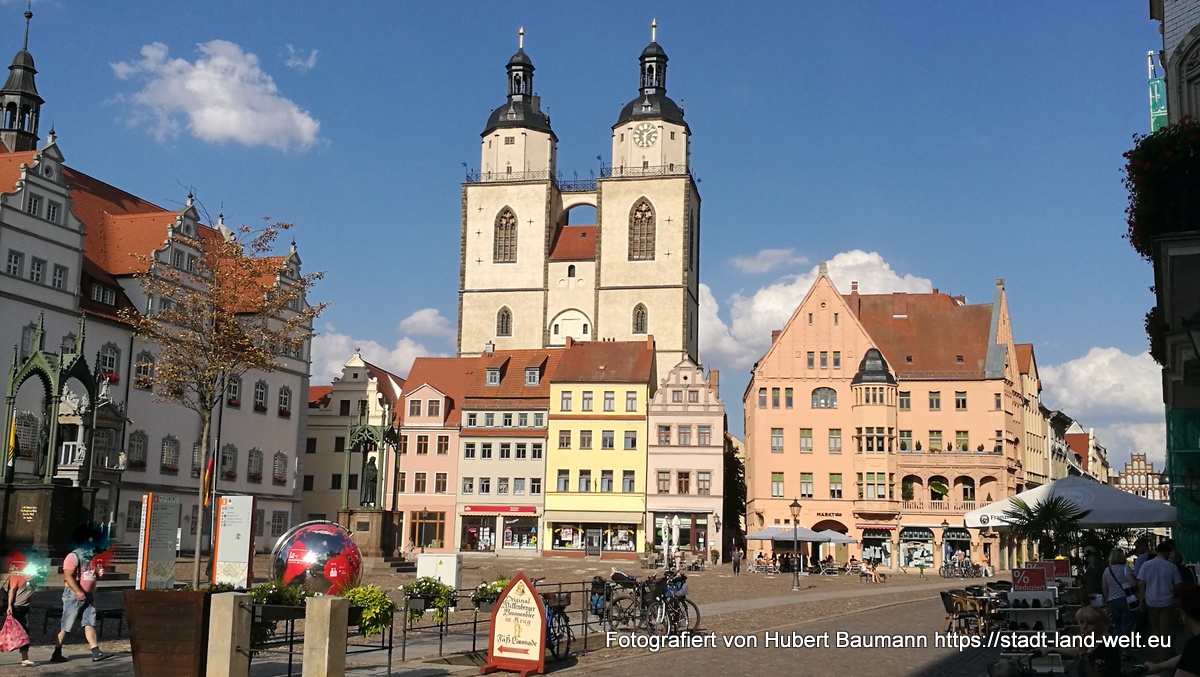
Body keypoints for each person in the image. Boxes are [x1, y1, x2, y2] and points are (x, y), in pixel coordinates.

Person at [51, 529, 111, 663]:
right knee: (67, 625)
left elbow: (91, 571)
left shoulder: (91, 557)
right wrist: (78, 592)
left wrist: (98, 571)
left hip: (88, 596)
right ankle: (57, 652)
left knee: (89, 622)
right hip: (73, 595)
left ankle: (96, 652)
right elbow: (67, 575)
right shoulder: (73, 557)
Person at [1034, 605, 1121, 677]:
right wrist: (1052, 649)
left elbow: (1088, 673)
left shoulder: (1107, 648)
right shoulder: (1095, 640)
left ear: (1100, 625)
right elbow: (1076, 651)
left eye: (1090, 623)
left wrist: (1082, 653)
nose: (1084, 627)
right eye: (1081, 622)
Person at [1139, 541, 1183, 663]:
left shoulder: (1146, 565)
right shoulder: (1172, 567)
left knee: (1156, 630)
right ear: (1167, 553)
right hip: (1167, 602)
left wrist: (1141, 600)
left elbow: (1141, 583)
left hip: (1151, 601)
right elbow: (1178, 585)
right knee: (1166, 630)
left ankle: (1161, 654)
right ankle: (1165, 655)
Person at [1143, 586, 1200, 675]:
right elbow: (1187, 659)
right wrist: (1159, 666)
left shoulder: (1195, 646)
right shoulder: (1194, 651)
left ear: (1184, 614)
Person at [2, 556, 35, 666]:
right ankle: (25, 658)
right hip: (17, 608)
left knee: (23, 634)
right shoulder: (17, 576)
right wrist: (10, 606)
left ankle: (25, 659)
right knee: (16, 634)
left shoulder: (32, 578)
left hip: (25, 608)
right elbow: (12, 591)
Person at [1102, 547, 1139, 637]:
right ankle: (1124, 648)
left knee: (1117, 625)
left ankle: (1117, 647)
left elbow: (1104, 588)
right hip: (1126, 600)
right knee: (1126, 625)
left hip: (1112, 601)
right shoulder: (1126, 568)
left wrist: (1107, 601)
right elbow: (1134, 584)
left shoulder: (1107, 571)